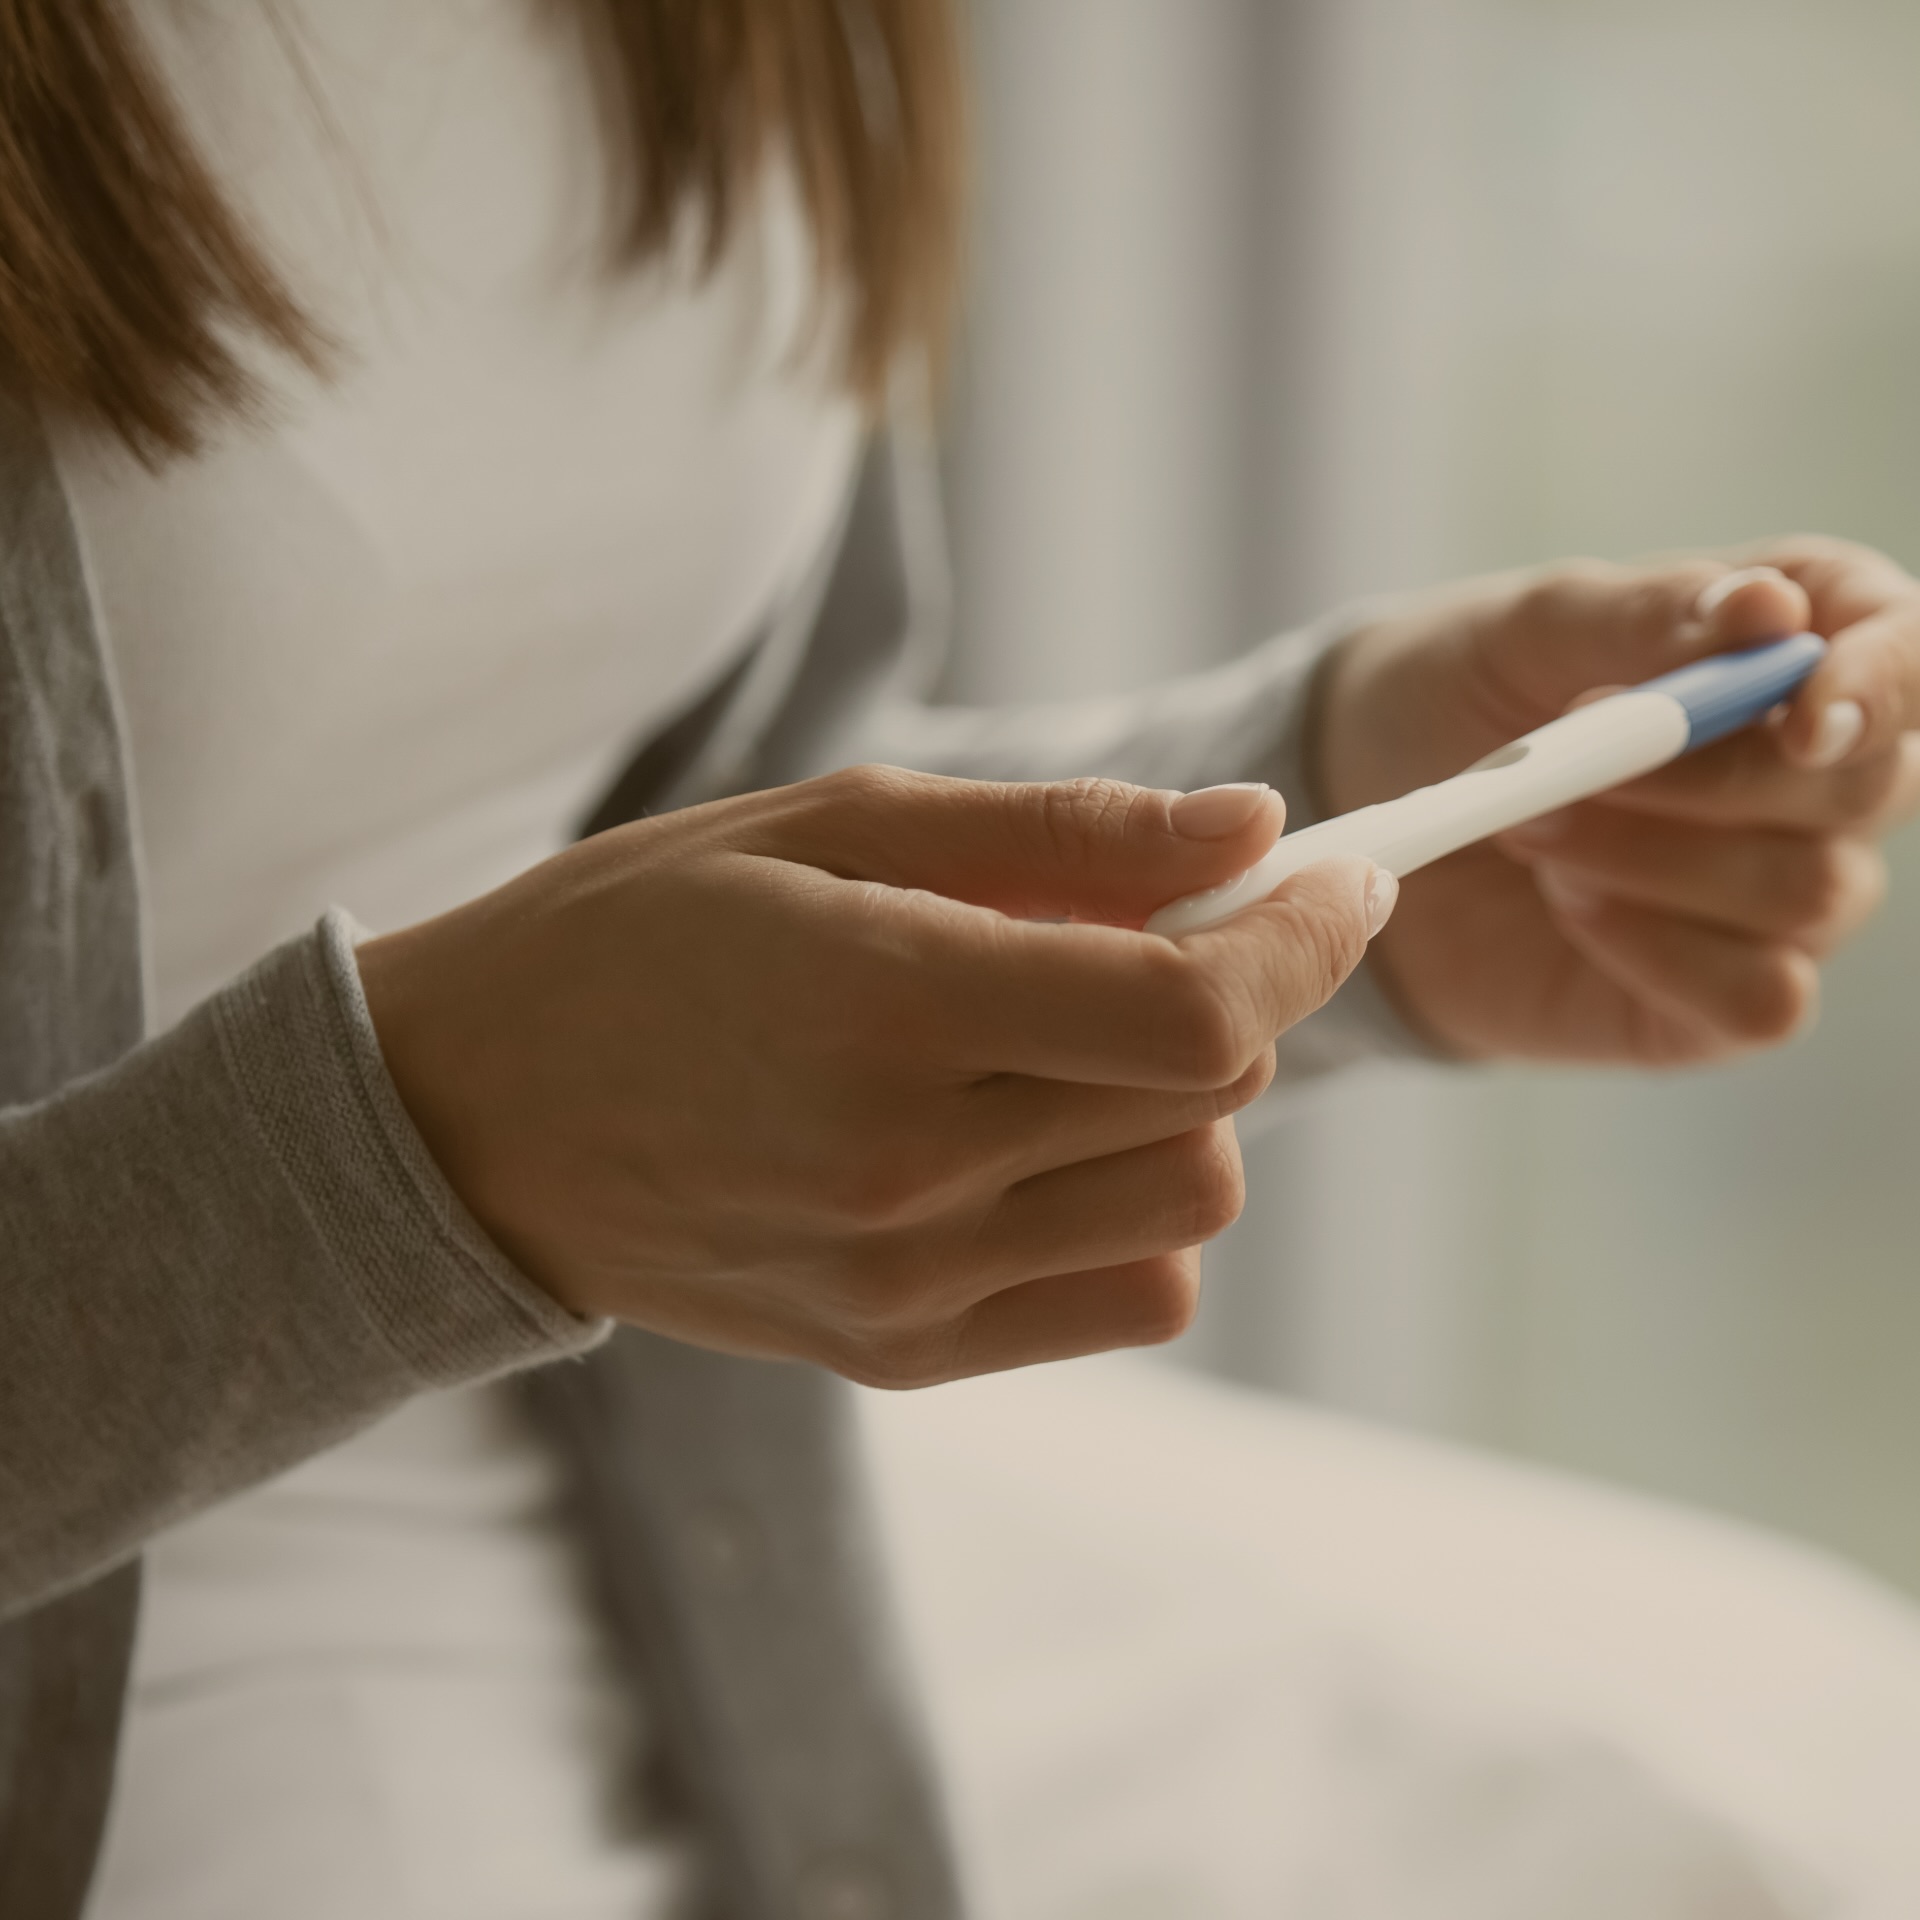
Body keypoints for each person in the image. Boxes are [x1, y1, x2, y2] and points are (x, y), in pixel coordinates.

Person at [4, 4, 1919, 1917]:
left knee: (1821, 1779)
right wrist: (416, 1163)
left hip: (679, 1524)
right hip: (146, 1728)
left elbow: (643, 801)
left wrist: (1330, 800)